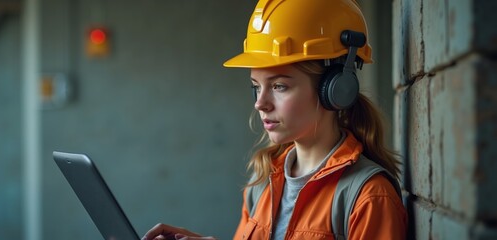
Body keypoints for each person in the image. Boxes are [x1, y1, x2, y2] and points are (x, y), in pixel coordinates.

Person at [143, 0, 407, 239]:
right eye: (256, 86)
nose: (260, 103)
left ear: (336, 90)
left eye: (279, 86)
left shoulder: (369, 198)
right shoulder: (261, 187)